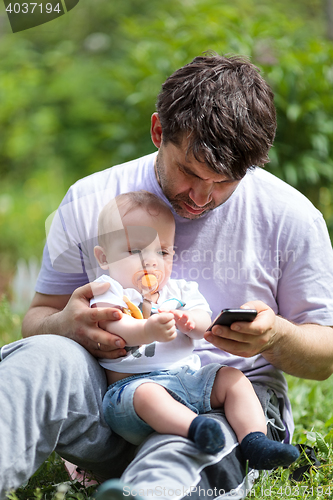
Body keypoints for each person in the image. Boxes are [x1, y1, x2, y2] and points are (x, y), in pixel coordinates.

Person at [0, 53, 332, 500]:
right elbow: (39, 315)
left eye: (224, 182)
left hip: (219, 403)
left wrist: (276, 336)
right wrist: (63, 324)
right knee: (37, 358)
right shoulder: (90, 200)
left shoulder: (290, 218)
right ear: (159, 131)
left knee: (196, 443)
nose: (201, 196)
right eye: (190, 172)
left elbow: (325, 355)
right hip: (113, 395)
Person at [91, 191, 299, 469]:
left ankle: (255, 441)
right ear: (104, 258)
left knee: (231, 377)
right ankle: (198, 430)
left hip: (188, 380)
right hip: (130, 392)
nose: (151, 261)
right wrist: (147, 330)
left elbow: (203, 321)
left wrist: (190, 321)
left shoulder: (180, 290)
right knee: (148, 395)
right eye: (136, 251)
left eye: (162, 252)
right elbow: (112, 324)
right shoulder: (109, 290)